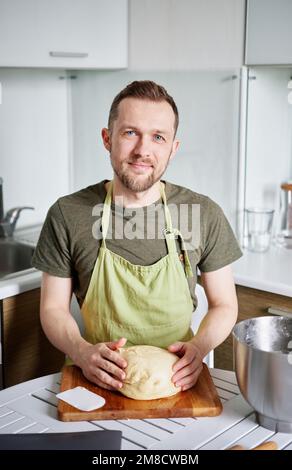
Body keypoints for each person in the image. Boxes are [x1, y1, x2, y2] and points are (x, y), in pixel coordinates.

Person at [32, 80, 242, 392]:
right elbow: (52, 309)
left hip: (178, 383)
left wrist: (198, 348)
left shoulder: (203, 213)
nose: (143, 150)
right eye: (130, 133)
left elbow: (225, 304)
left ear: (173, 148)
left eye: (158, 137)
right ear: (107, 138)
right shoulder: (68, 214)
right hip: (93, 382)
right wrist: (80, 351)